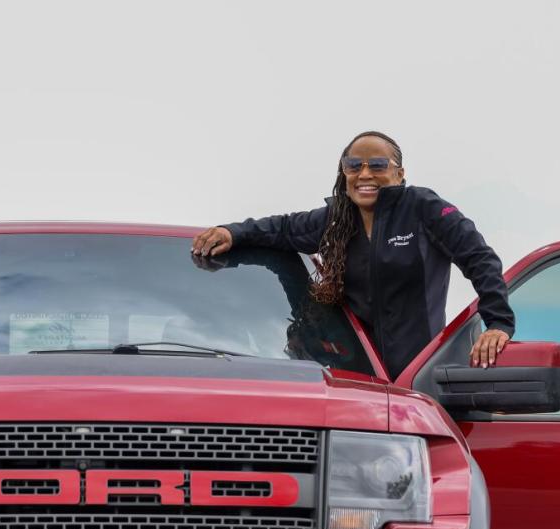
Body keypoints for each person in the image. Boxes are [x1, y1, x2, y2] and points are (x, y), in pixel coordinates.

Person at [191, 130, 513, 380]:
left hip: (421, 373)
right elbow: (283, 229)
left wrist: (497, 322)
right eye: (353, 165)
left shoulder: (424, 208)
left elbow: (479, 257)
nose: (365, 174)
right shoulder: (335, 220)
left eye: (377, 165)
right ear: (344, 173)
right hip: (358, 376)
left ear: (399, 173)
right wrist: (232, 232)